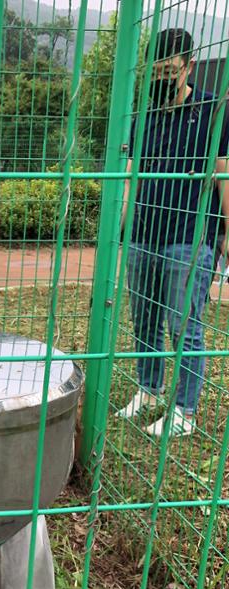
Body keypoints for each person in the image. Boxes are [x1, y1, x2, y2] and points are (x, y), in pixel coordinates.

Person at [118, 29, 229, 437]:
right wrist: (124, 226)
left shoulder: (213, 111)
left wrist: (227, 235)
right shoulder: (144, 116)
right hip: (144, 233)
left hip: (190, 234)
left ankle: (184, 410)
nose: (163, 77)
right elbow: (133, 176)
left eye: (170, 69)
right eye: (157, 71)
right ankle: (148, 389)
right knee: (144, 317)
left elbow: (223, 175)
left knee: (184, 324)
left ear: (189, 66)